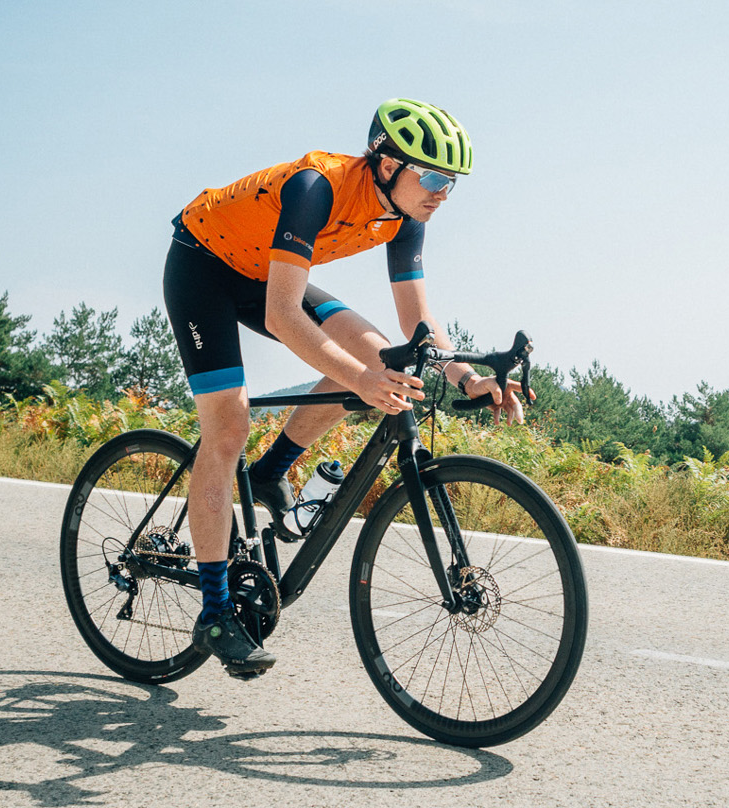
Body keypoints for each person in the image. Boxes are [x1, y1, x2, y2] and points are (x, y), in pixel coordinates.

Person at [163, 98, 526, 679]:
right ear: (389, 165)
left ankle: (270, 473)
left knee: (380, 356)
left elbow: (416, 321)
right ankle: (214, 612)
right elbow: (283, 315)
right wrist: (362, 380)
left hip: (261, 272)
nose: (442, 194)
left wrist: (468, 377)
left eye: (451, 183)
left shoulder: (406, 215)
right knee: (228, 427)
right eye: (434, 178)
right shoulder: (316, 188)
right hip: (203, 266)